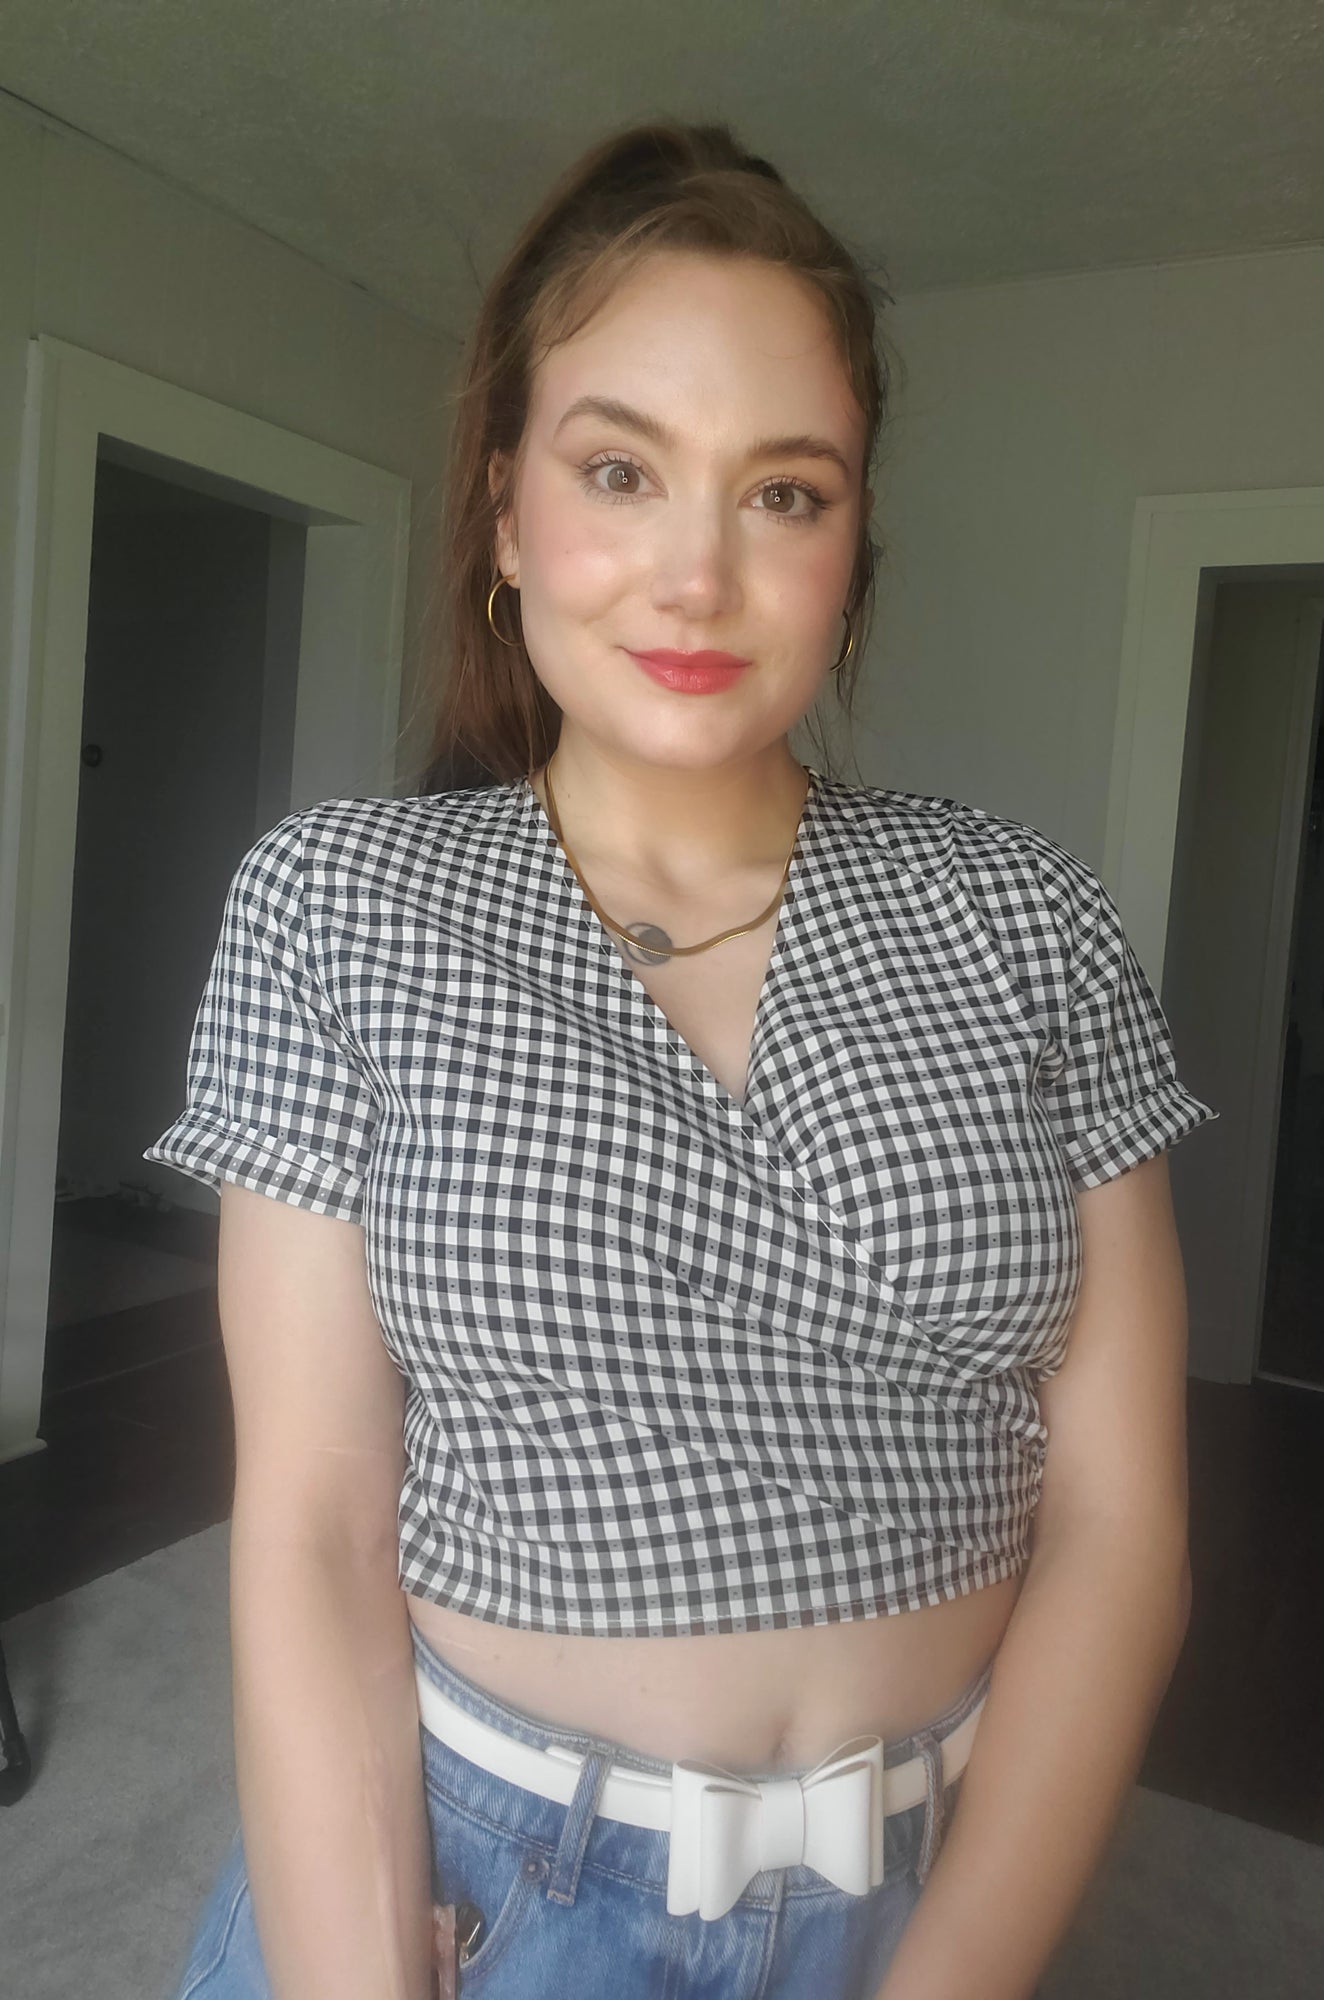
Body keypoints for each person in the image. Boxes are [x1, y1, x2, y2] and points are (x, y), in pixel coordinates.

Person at [145, 120, 1218, 2000]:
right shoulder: (341, 907)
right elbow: (309, 1531)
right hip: (482, 1895)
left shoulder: (1024, 914)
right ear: (505, 513)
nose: (697, 575)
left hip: (915, 1906)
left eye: (783, 493)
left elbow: (1124, 1527)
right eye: (621, 470)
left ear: (852, 553)